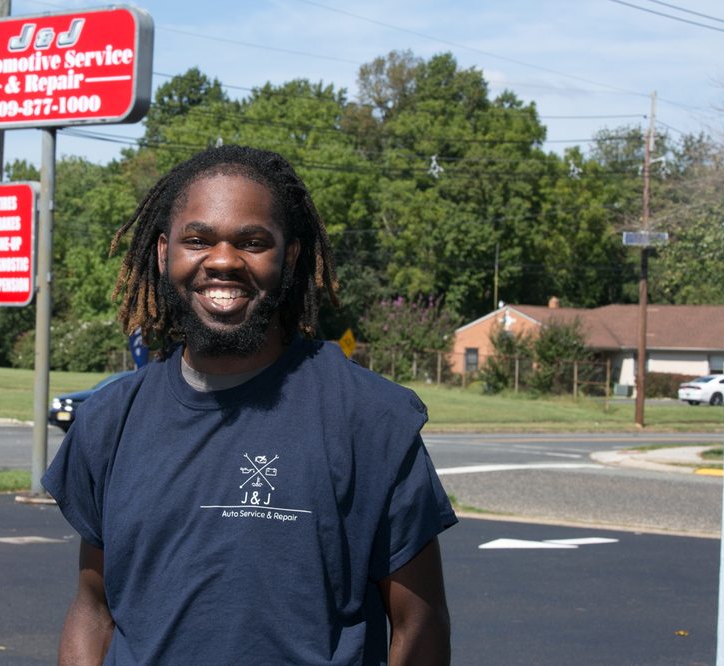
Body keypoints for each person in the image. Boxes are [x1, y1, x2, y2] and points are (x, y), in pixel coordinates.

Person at [43, 144, 457, 665]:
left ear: (291, 256)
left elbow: (419, 625)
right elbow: (93, 608)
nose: (223, 261)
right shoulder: (109, 421)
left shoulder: (370, 419)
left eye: (252, 242)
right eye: (198, 240)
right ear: (164, 253)